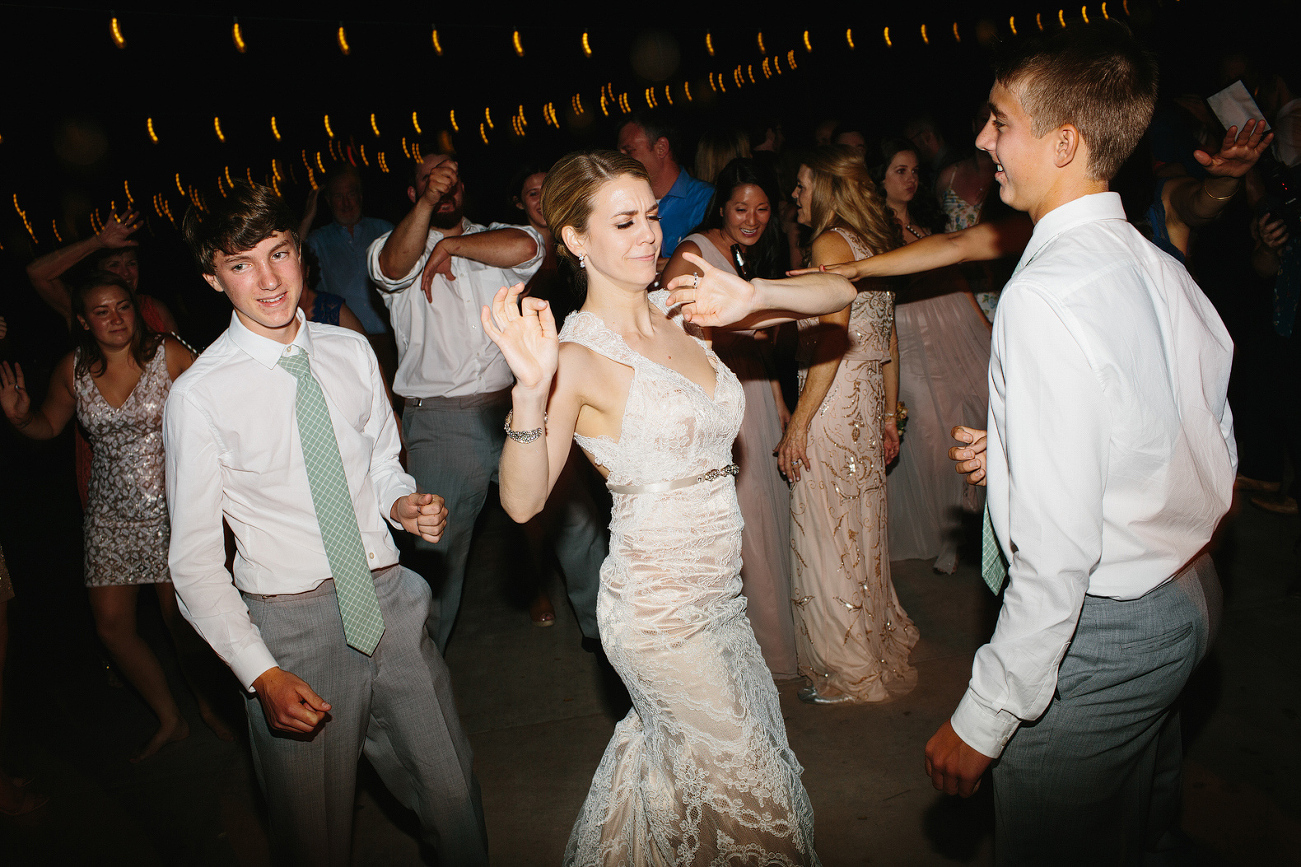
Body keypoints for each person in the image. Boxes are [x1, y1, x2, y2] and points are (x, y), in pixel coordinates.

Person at [482, 150, 855, 864]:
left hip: (722, 597)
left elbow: (838, 291)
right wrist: (529, 393)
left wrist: (751, 297)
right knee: (758, 800)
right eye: (622, 222)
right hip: (657, 613)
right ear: (576, 241)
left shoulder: (683, 304)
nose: (648, 235)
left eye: (650, 216)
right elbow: (523, 501)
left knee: (684, 781)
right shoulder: (574, 358)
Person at [922, 26, 1234, 864]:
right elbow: (1195, 429)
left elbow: (1056, 554)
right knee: (1140, 829)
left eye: (999, 122)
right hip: (1188, 597)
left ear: (1063, 142)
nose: (982, 141)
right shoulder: (1151, 260)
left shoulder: (1045, 295)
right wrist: (1024, 451)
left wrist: (984, 714)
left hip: (1102, 630)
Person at [167, 183, 487, 866]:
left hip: (391, 603)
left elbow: (380, 464)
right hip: (293, 630)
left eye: (278, 252)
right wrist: (261, 672)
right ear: (212, 277)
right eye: (241, 264)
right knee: (314, 837)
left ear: (300, 255)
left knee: (454, 795)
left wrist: (402, 502)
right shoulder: (199, 396)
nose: (268, 278)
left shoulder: (348, 351)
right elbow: (194, 564)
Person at [1, 274, 228, 762]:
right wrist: (22, 419)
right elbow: (50, 424)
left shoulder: (168, 353)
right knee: (111, 628)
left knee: (182, 623)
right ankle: (171, 718)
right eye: (101, 311)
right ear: (83, 321)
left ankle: (215, 708)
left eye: (122, 306)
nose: (115, 318)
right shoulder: (73, 370)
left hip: (173, 509)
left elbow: (220, 406)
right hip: (108, 515)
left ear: (135, 309)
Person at [367, 151, 544, 651]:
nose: (443, 187)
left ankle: (606, 639)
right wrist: (429, 211)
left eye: (450, 180)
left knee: (572, 527)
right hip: (441, 425)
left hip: (513, 410)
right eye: (428, 181)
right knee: (437, 560)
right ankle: (423, 671)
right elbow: (391, 267)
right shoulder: (393, 242)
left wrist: (456, 246)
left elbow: (531, 243)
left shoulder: (490, 235)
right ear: (413, 192)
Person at [779, 145, 918, 705]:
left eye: (802, 185)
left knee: (826, 530)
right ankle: (868, 641)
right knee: (857, 522)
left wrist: (798, 426)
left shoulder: (829, 244)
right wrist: (889, 414)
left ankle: (845, 667)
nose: (795, 195)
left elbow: (832, 343)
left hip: (831, 401)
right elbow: (889, 341)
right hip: (862, 406)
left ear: (828, 189)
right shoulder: (872, 247)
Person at [661, 157, 799, 680]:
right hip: (721, 396)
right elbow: (664, 322)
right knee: (744, 520)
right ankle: (754, 653)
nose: (752, 217)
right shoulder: (697, 251)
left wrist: (779, 398)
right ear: (722, 206)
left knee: (768, 511)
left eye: (763, 208)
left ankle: (775, 639)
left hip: (755, 392)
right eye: (741, 207)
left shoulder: (745, 256)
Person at [876, 139, 991, 575]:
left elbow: (958, 270)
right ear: (880, 178)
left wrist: (982, 323)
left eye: (913, 171)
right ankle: (933, 530)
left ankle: (967, 522)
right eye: (899, 171)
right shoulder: (875, 229)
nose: (910, 179)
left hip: (951, 317)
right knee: (926, 427)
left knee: (976, 402)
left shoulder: (929, 221)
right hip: (909, 328)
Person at [508, 163, 608, 638]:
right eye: (532, 193)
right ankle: (536, 586)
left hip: (593, 381)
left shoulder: (589, 249)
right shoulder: (519, 258)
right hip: (548, 387)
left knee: (584, 509)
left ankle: (596, 621)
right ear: (519, 203)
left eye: (549, 193)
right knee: (537, 503)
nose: (541, 201)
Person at [617, 111, 714, 265]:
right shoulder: (622, 203)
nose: (622, 161)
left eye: (629, 151)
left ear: (661, 148)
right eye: (620, 153)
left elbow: (715, 262)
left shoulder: (705, 200)